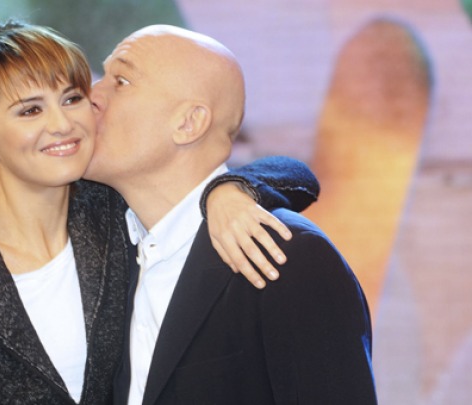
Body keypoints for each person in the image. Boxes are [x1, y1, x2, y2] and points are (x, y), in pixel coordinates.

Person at [0, 21, 319, 404]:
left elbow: (294, 174)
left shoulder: (114, 212)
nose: (62, 124)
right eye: (30, 110)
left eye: (71, 98)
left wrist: (229, 190)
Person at [87, 25, 378, 404]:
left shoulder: (285, 256)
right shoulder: (105, 244)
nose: (92, 95)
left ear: (189, 123)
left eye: (121, 81)